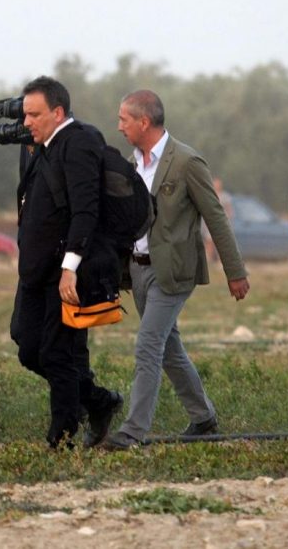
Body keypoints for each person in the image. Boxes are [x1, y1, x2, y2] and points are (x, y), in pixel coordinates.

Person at [104, 90, 249, 450]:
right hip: (138, 272)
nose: (119, 126)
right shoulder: (131, 164)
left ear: (143, 122)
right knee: (169, 349)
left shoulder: (186, 162)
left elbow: (215, 216)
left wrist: (235, 271)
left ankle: (133, 431)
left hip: (173, 272)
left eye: (124, 119)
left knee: (148, 346)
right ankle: (204, 418)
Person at [13, 76, 124, 448]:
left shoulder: (80, 141)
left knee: (57, 354)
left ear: (58, 112)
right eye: (25, 113)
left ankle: (60, 436)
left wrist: (69, 267)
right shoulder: (40, 147)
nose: (26, 121)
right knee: (27, 347)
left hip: (65, 272)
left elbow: (85, 209)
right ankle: (99, 401)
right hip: (35, 271)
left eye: (34, 114)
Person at [203, 178, 233, 263]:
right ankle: (208, 260)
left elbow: (229, 209)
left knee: (222, 243)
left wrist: (228, 218)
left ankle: (222, 261)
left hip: (222, 222)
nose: (217, 185)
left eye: (218, 184)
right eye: (215, 184)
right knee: (209, 241)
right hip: (210, 222)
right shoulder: (209, 194)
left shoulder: (225, 196)